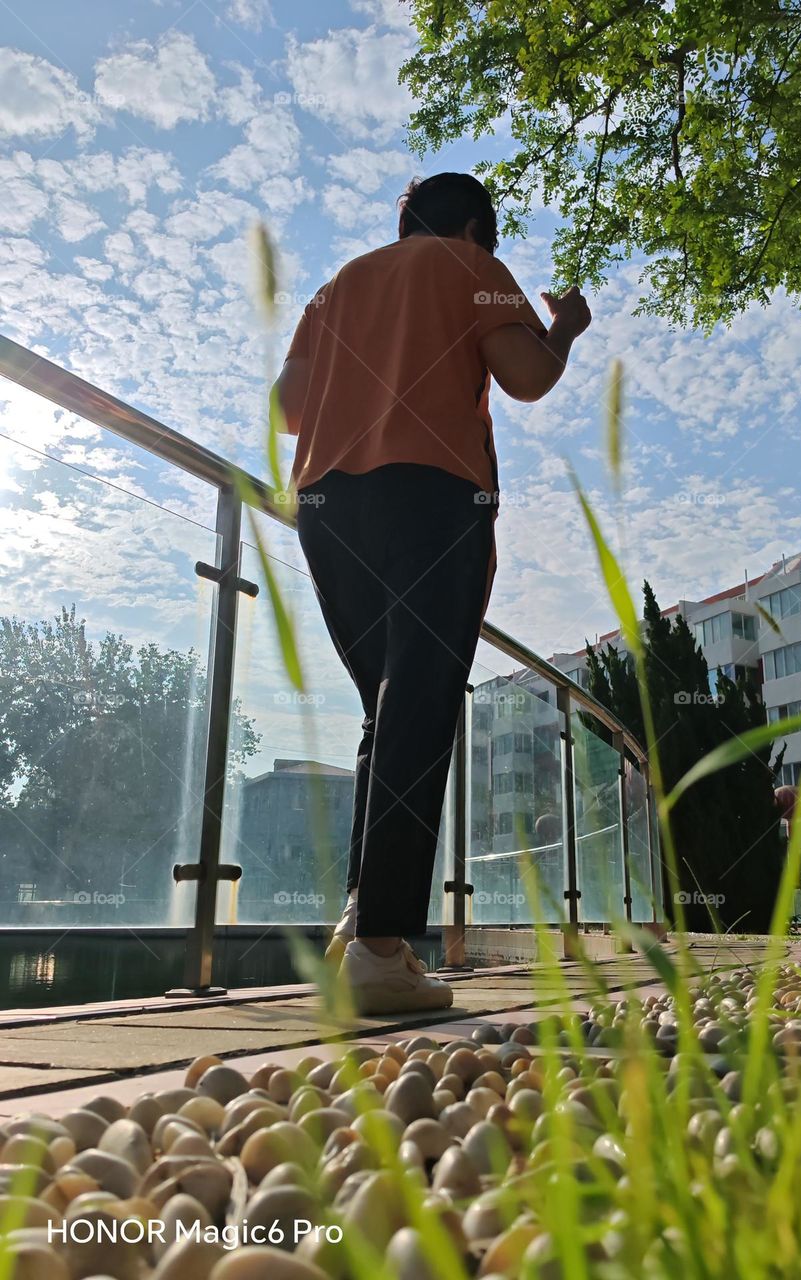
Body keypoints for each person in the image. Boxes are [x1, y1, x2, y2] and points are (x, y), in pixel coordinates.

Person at [274, 172, 591, 1014]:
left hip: (326, 503)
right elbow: (524, 377)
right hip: (431, 495)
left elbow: (287, 406)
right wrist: (563, 329)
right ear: (478, 225)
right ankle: (381, 951)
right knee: (419, 702)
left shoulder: (338, 284)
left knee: (390, 709)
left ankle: (362, 926)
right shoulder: (468, 266)